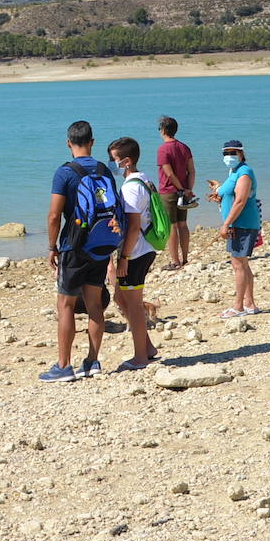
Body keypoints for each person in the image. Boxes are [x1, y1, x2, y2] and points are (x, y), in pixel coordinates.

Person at [43, 121, 113, 382]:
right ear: (92, 142)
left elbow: (54, 215)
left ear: (68, 143)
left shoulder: (64, 173)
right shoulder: (103, 169)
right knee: (95, 305)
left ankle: (64, 366)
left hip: (73, 247)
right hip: (99, 245)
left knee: (66, 305)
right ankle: (93, 361)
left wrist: (52, 247)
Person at [108, 137, 161, 370]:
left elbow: (132, 226)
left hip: (136, 252)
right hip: (144, 248)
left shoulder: (130, 188)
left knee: (134, 305)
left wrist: (124, 258)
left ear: (126, 162)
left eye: (114, 160)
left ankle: (140, 357)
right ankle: (147, 347)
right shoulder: (145, 180)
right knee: (120, 298)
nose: (111, 164)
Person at [207, 139, 260, 316]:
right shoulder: (234, 172)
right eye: (226, 153)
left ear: (241, 154)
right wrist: (219, 192)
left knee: (238, 264)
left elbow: (240, 201)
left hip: (241, 224)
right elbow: (231, 194)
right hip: (237, 224)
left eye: (233, 153)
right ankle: (250, 304)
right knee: (243, 264)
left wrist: (226, 223)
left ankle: (238, 307)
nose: (229, 156)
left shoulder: (244, 173)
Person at [155, 116, 195, 270]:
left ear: (163, 130)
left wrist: (180, 189)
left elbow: (169, 174)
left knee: (172, 226)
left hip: (169, 191)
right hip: (184, 191)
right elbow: (191, 170)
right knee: (183, 224)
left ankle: (175, 261)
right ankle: (185, 258)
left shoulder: (163, 149)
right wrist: (188, 189)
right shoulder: (184, 147)